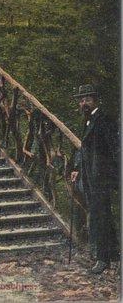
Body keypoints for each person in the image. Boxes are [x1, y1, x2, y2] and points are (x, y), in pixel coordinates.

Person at [71, 84, 119, 274]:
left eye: (87, 99)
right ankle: (113, 253)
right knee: (100, 213)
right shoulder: (87, 122)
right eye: (81, 100)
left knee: (99, 216)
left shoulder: (105, 120)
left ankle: (102, 259)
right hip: (89, 175)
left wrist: (115, 175)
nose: (84, 103)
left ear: (95, 100)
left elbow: (116, 149)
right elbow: (83, 148)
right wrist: (76, 168)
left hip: (102, 177)